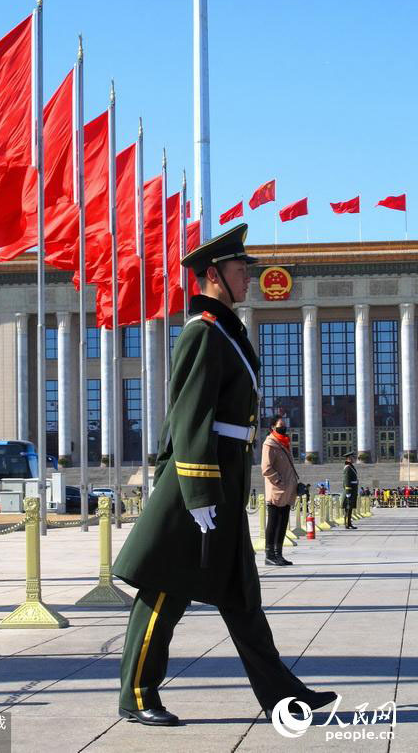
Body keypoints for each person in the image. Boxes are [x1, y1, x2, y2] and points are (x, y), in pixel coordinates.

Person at [113, 224, 337, 727]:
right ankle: (137, 694)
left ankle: (283, 696)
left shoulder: (225, 332)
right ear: (213, 275)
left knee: (241, 595)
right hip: (197, 485)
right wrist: (198, 492)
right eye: (240, 270)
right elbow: (189, 416)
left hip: (225, 479)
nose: (248, 278)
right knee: (164, 589)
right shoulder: (203, 332)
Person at [261, 415, 299, 566]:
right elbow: (266, 468)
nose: (283, 428)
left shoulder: (284, 443)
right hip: (276, 491)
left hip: (288, 490)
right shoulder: (269, 444)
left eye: (284, 425)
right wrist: (279, 481)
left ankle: (279, 554)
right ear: (273, 427)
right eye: (280, 426)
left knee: (283, 523)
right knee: (273, 522)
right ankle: (269, 555)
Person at [343, 451, 359, 529]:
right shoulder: (347, 467)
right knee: (348, 508)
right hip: (349, 490)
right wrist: (348, 492)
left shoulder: (351, 466)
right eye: (353, 457)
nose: (354, 459)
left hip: (353, 490)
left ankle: (349, 523)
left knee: (350, 508)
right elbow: (346, 480)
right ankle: (347, 523)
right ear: (349, 458)